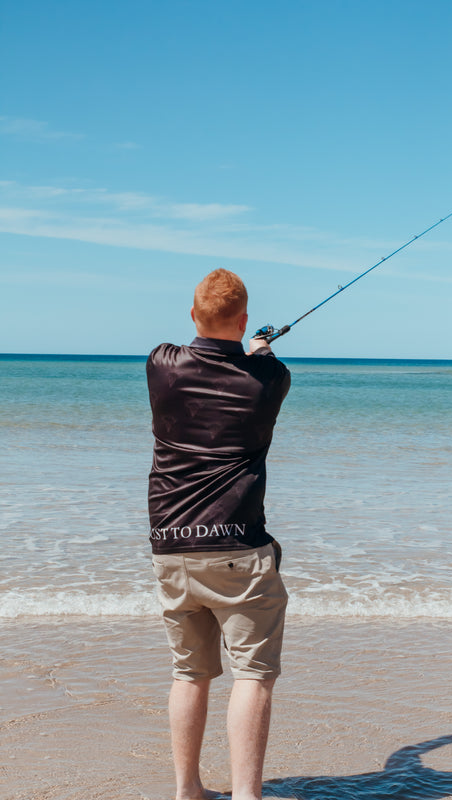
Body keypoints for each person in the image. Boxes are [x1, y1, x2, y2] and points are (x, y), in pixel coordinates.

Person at [146, 268, 290, 800]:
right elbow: (259, 368)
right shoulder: (270, 378)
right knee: (252, 676)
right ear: (247, 320)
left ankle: (188, 790)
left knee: (189, 674)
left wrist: (246, 346)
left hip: (172, 543)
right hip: (239, 549)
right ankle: (247, 797)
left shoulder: (160, 363)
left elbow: (202, 355)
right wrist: (259, 349)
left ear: (191, 316)